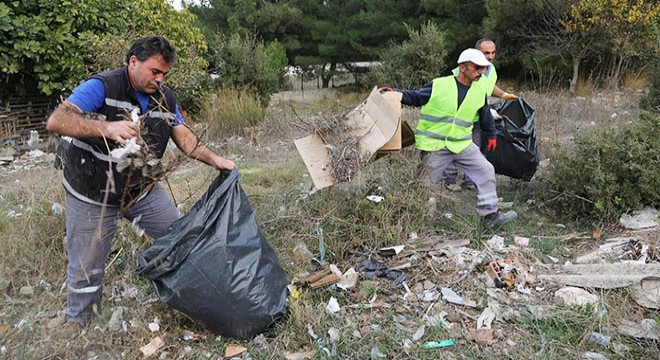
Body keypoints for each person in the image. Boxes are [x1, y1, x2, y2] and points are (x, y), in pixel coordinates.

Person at [46, 36, 236, 325]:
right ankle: (79, 326)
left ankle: (199, 303)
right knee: (86, 267)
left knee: (179, 240)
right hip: (91, 191)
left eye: (165, 74)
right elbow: (57, 121)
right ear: (133, 62)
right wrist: (105, 127)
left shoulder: (165, 97)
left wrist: (217, 160)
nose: (159, 79)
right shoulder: (103, 86)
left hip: (140, 189)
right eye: (154, 72)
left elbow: (182, 135)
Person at [380, 48, 517, 229]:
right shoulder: (440, 85)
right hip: (436, 146)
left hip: (461, 144)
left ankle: (489, 215)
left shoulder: (479, 89)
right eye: (477, 68)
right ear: (463, 68)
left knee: (485, 170)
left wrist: (491, 134)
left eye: (483, 68)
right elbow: (416, 97)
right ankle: (409, 217)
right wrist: (395, 92)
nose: (481, 72)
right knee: (422, 184)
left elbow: (484, 113)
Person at [443, 38, 518, 191]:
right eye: (486, 53)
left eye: (493, 52)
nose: (490, 56)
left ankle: (469, 181)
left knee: (475, 149)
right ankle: (450, 180)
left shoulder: (490, 69)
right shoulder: (465, 69)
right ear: (478, 53)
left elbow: (489, 87)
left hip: (478, 119)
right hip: (461, 117)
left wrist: (504, 95)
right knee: (453, 146)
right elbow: (460, 92)